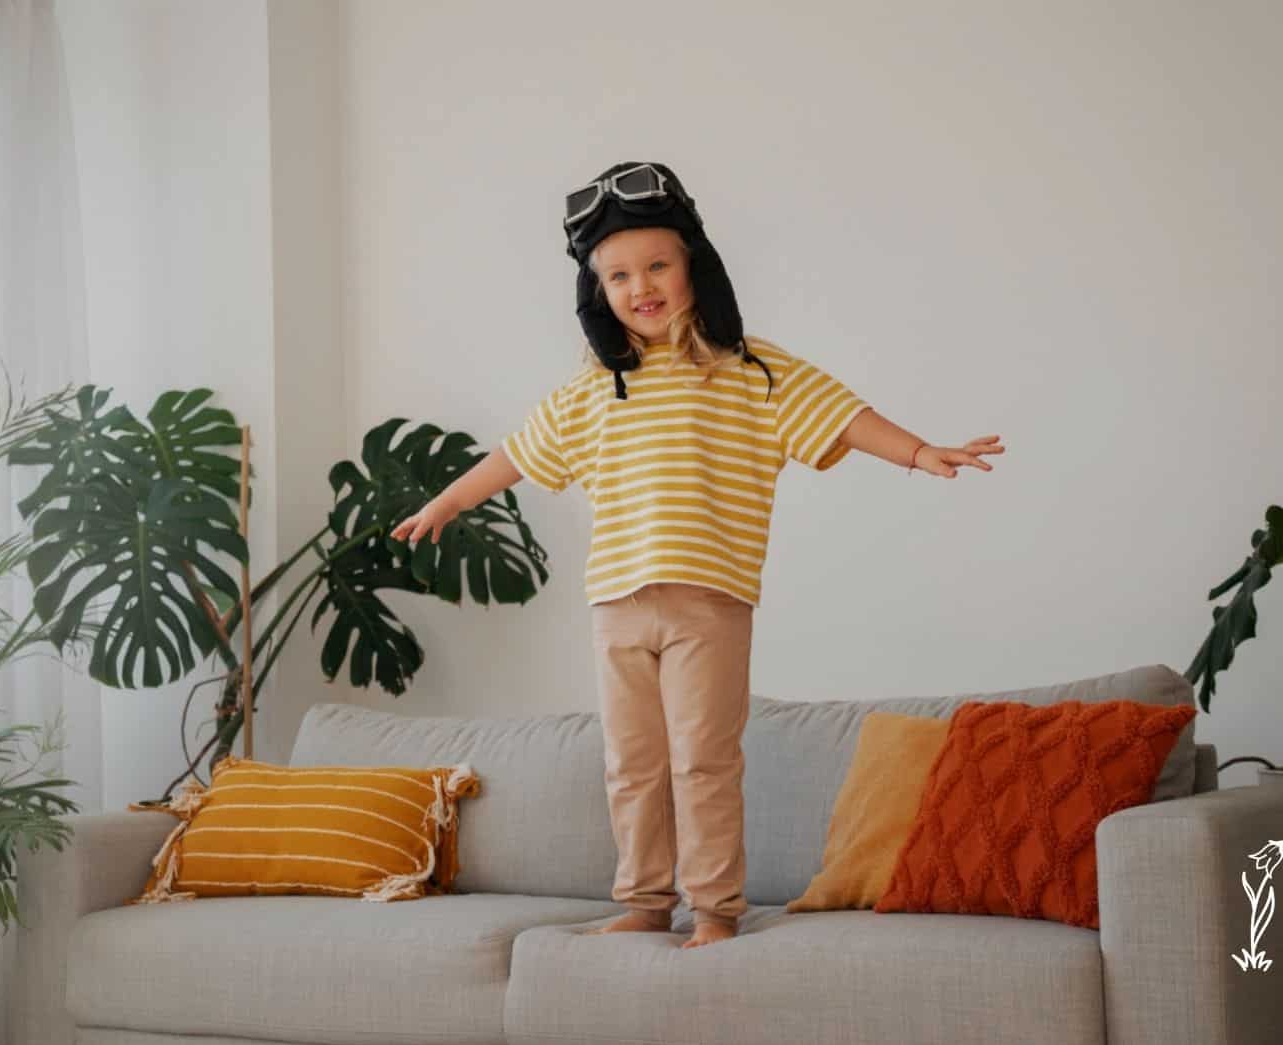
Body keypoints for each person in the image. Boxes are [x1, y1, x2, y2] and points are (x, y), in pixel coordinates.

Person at [391, 162, 1003, 949]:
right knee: (631, 764)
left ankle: (713, 910)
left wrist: (919, 452)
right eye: (618, 275)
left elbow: (842, 416)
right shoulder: (591, 389)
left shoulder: (749, 369)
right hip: (617, 606)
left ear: (693, 268)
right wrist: (446, 503)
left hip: (708, 602)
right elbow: (516, 453)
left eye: (656, 266)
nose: (640, 286)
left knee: (703, 762)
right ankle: (645, 902)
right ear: (597, 291)